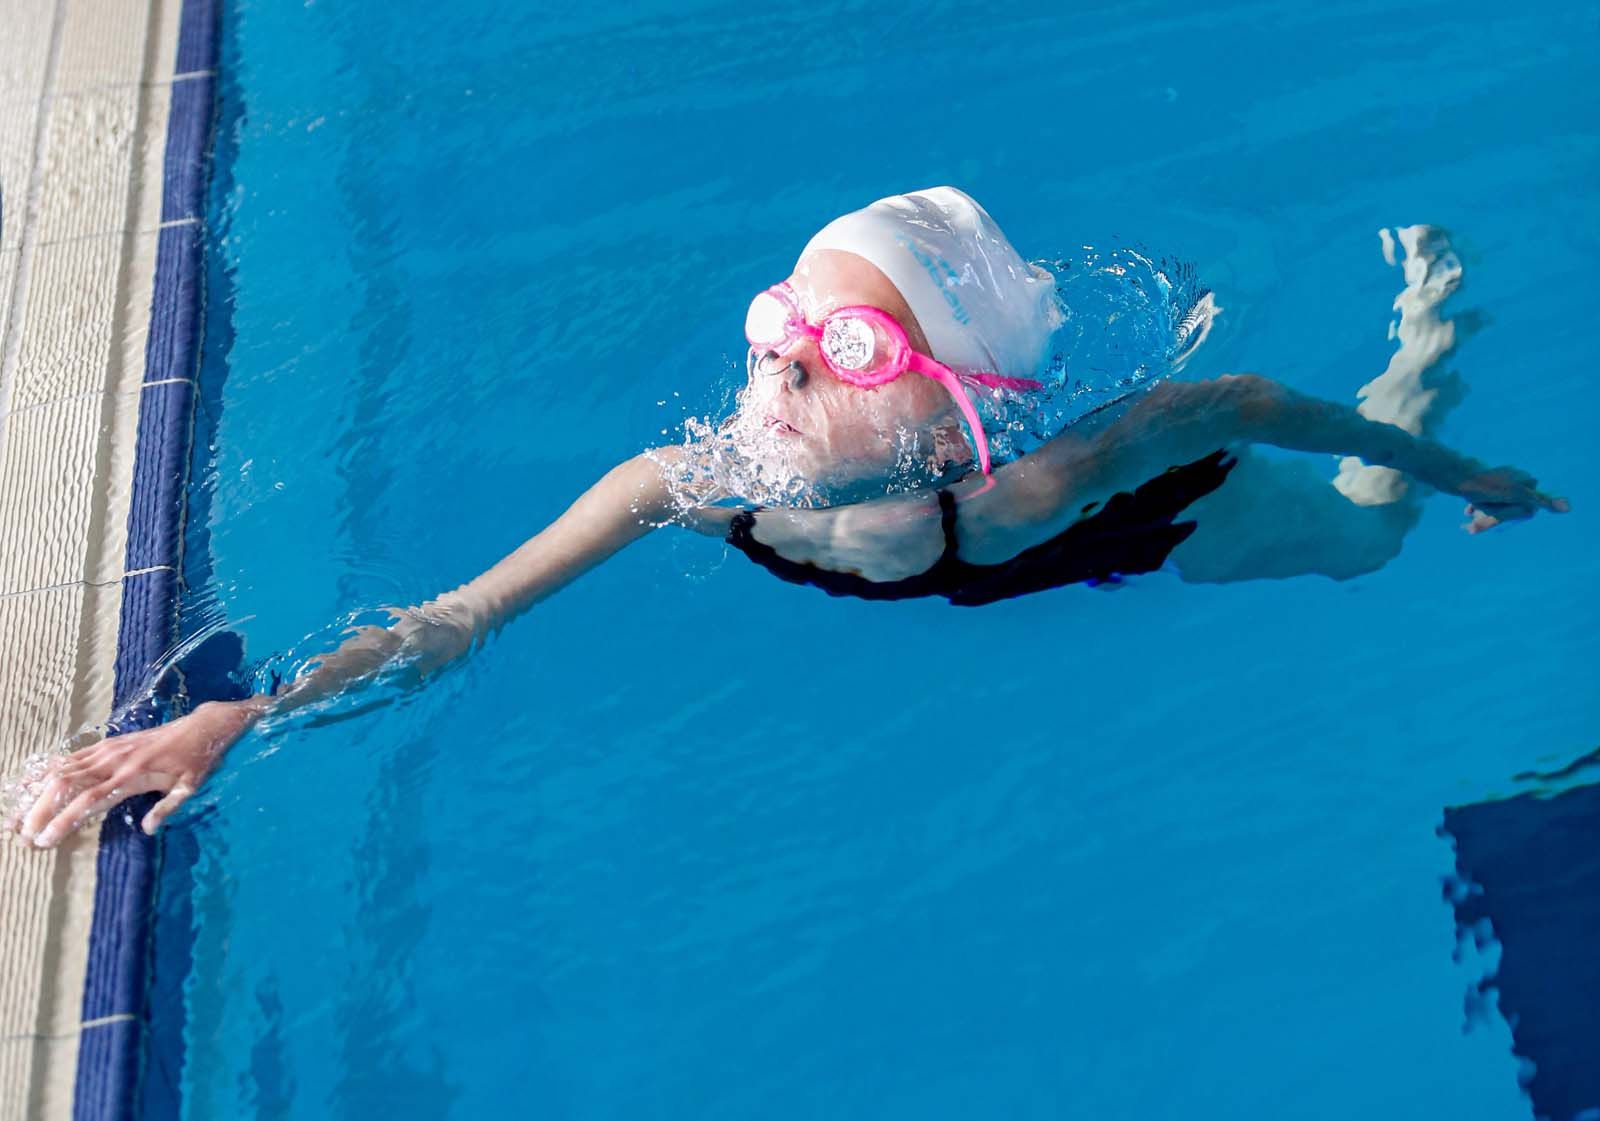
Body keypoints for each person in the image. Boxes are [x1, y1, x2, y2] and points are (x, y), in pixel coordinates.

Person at [3, 188, 1567, 849]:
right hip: (952, 563)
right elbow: (456, 621)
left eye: (850, 346)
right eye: (778, 321)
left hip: (1135, 530)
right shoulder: (688, 487)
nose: (782, 357)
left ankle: (1434, 328)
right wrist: (248, 713)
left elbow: (1233, 403)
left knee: (1369, 541)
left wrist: (1469, 473)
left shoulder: (1035, 476)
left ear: (953, 403)